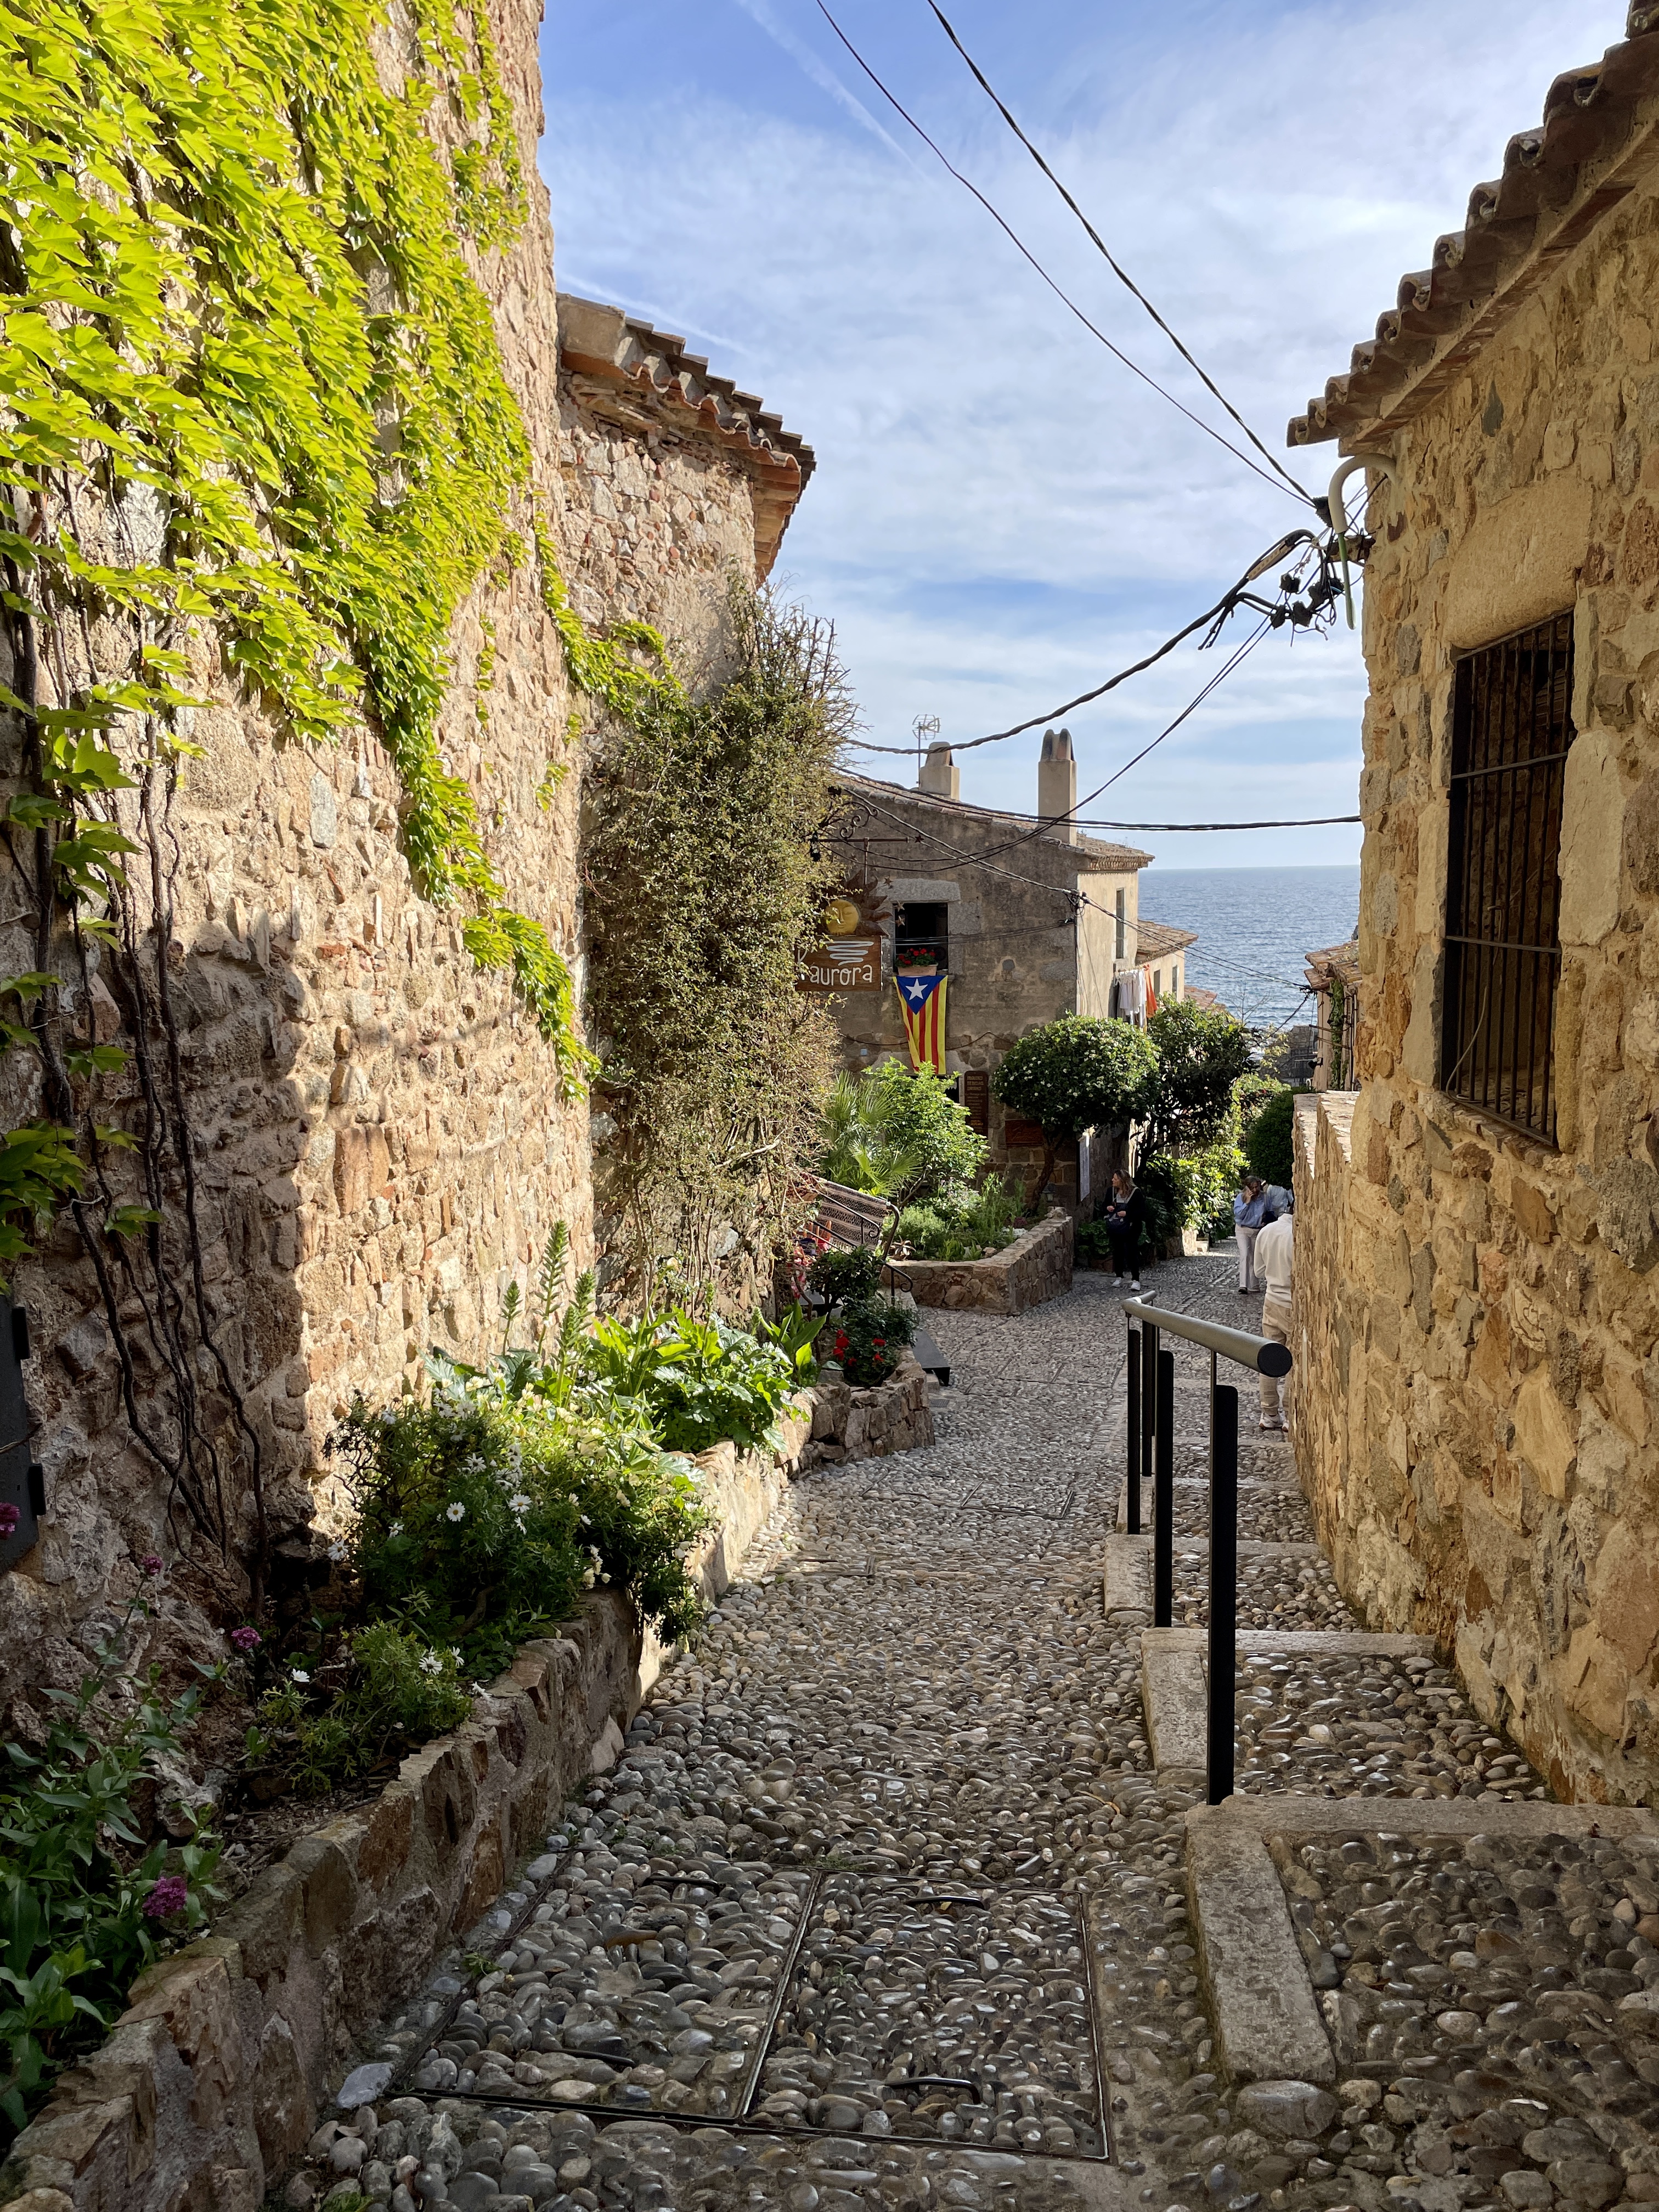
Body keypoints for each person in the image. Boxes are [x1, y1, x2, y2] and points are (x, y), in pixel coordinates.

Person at [1255, 1206, 1294, 1431]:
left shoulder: (1267, 1231)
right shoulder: (1296, 1235)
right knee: (1294, 1362)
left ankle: (1269, 1413)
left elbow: (1259, 1272)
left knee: (1268, 1360)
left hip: (1271, 1302)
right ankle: (1290, 1415)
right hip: (1292, 1304)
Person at [1102, 1170, 1148, 1291]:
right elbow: (1103, 1207)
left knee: (1131, 1251)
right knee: (1118, 1251)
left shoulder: (1135, 1193)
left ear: (1122, 1180)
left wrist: (1128, 1214)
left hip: (1131, 1227)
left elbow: (1142, 1212)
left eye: (1116, 1179)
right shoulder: (1111, 1192)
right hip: (1116, 1226)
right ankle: (1119, 1276)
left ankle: (1136, 1279)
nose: (1113, 1180)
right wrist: (1108, 1208)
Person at [1233, 1175, 1268, 1294]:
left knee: (1254, 1258)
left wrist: (1266, 1222)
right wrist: (1247, 1202)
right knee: (1245, 1255)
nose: (1255, 1190)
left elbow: (1270, 1212)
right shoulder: (1240, 1198)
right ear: (1247, 1188)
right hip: (1242, 1230)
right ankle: (1243, 1285)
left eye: (1256, 1187)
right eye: (1252, 1188)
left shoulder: (1264, 1198)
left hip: (1257, 1231)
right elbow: (1238, 1216)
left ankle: (1254, 1285)